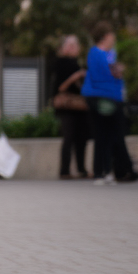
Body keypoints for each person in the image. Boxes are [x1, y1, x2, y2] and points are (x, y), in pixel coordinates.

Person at [81, 22, 138, 185]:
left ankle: (107, 172)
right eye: (112, 35)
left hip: (112, 99)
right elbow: (103, 76)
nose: (114, 38)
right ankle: (99, 173)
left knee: (110, 136)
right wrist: (116, 73)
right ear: (105, 36)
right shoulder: (96, 53)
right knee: (101, 135)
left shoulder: (109, 54)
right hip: (101, 99)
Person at [52, 35, 89, 179]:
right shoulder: (60, 63)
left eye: (75, 44)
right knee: (68, 138)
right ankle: (64, 170)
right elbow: (59, 87)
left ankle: (82, 169)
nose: (73, 47)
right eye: (69, 44)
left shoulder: (77, 63)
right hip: (66, 106)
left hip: (79, 107)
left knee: (82, 138)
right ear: (63, 47)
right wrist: (76, 76)